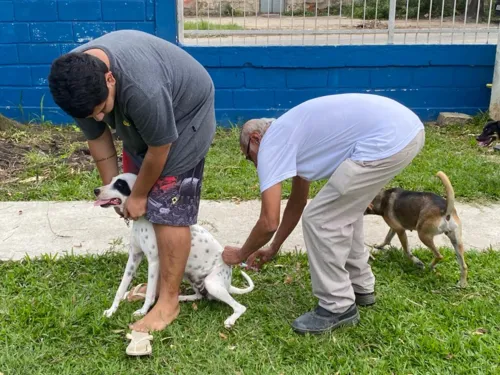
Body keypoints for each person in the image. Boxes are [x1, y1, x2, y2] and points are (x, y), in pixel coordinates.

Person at [48, 30, 216, 332]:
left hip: (186, 112)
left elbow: (160, 147)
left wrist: (138, 197)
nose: (98, 118)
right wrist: (113, 190)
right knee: (145, 189)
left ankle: (168, 303)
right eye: (91, 114)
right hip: (147, 112)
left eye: (101, 109)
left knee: (168, 206)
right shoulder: (78, 86)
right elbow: (98, 139)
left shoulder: (143, 90)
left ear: (110, 80)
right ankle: (163, 278)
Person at [222, 93, 425, 335]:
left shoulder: (272, 143)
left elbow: (268, 221)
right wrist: (274, 247)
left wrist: (241, 254)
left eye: (249, 156)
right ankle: (361, 287)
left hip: (386, 140)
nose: (254, 163)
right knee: (343, 210)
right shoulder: (292, 135)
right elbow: (297, 201)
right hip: (404, 130)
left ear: (255, 139)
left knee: (321, 219)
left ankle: (337, 305)